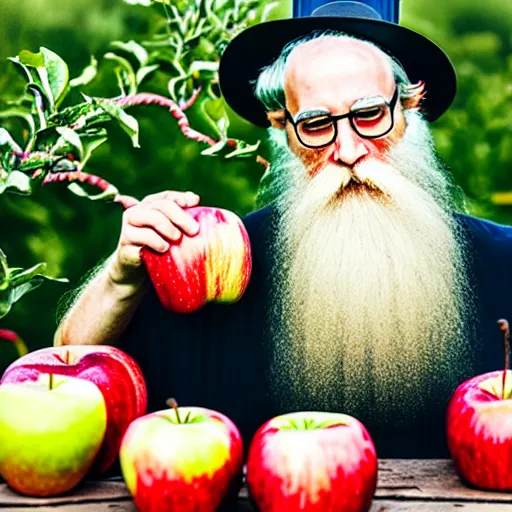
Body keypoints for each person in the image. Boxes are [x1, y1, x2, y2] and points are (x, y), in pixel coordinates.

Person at [54, 1, 512, 458]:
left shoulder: (502, 260)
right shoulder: (216, 270)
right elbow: (70, 377)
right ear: (284, 130)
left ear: (408, 108)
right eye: (316, 124)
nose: (348, 150)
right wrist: (120, 278)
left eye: (369, 114)